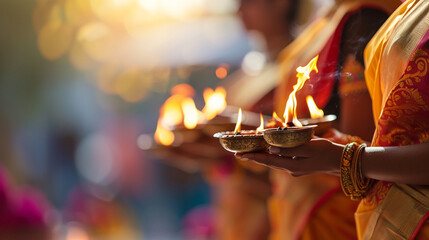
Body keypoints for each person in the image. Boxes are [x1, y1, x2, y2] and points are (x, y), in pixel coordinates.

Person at [237, 0, 429, 239]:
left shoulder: (367, 17)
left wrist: (344, 159)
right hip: (308, 211)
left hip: (343, 216)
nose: (239, 11)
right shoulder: (328, 20)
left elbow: (361, 140)